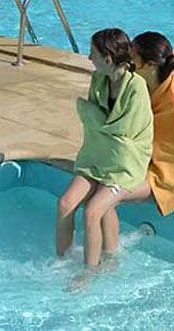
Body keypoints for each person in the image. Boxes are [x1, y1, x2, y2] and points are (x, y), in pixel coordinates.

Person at [57, 28, 153, 273]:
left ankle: (90, 273)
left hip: (125, 164)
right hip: (97, 156)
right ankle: (62, 261)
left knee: (92, 212)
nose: (90, 58)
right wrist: (96, 120)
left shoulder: (136, 88)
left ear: (108, 59)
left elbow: (124, 130)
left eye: (93, 54)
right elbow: (99, 126)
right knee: (66, 203)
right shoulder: (98, 80)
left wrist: (92, 115)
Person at [98, 32, 174, 256]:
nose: (128, 61)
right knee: (101, 185)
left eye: (133, 57)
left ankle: (109, 259)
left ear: (149, 64)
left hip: (164, 176)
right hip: (142, 163)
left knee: (105, 198)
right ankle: (104, 250)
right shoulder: (144, 85)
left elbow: (171, 155)